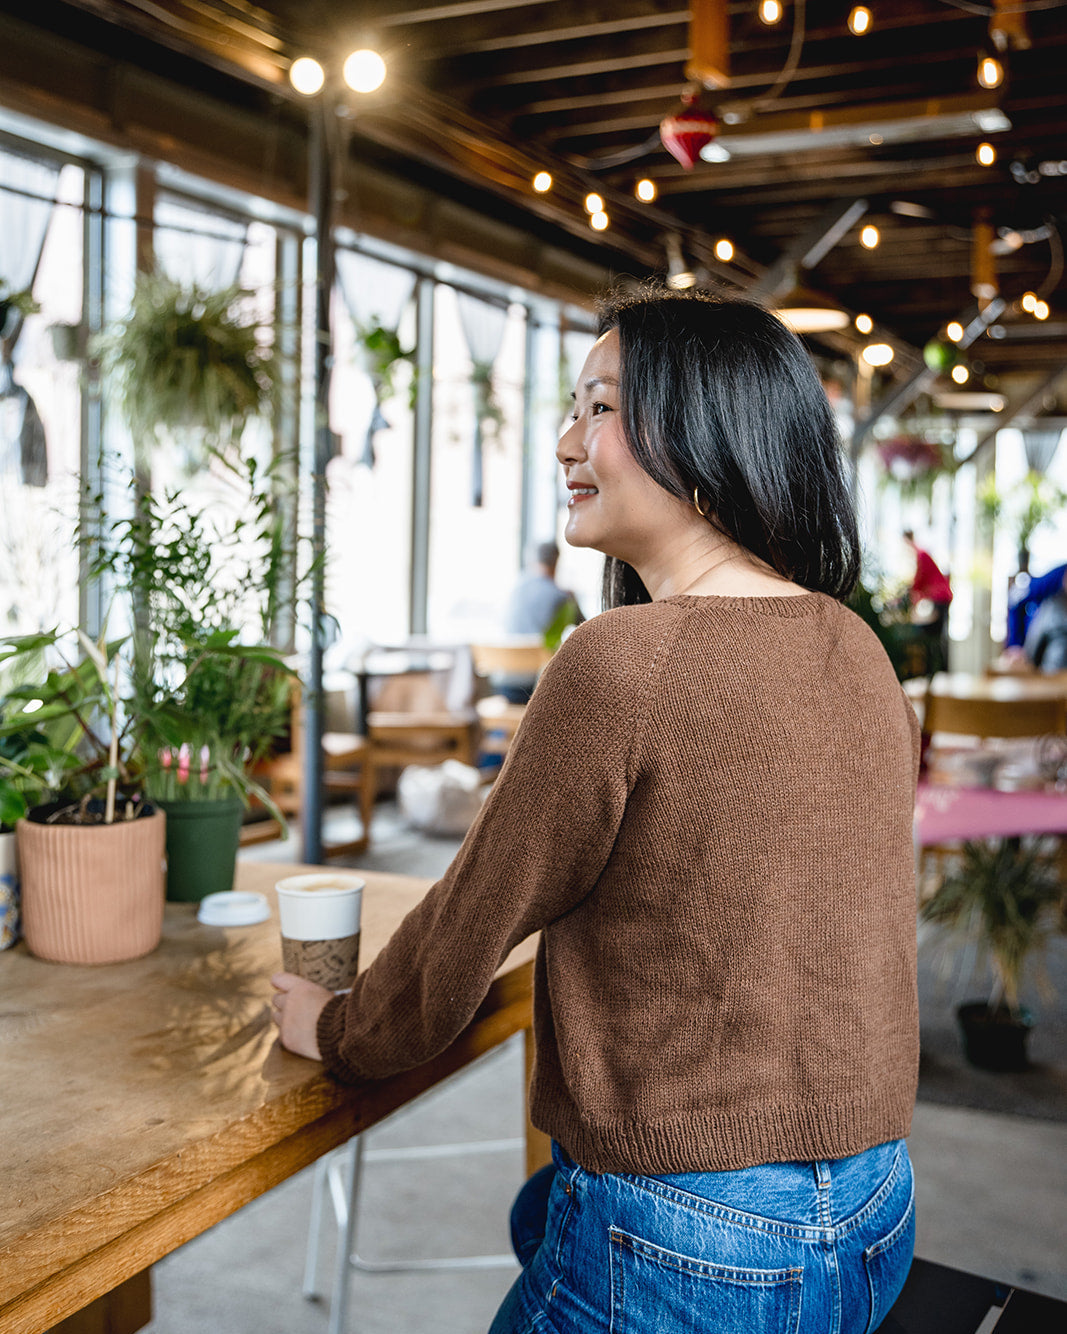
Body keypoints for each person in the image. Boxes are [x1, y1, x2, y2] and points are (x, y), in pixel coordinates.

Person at [272, 288, 920, 1334]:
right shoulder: (852, 644)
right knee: (543, 1210)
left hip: (694, 1231)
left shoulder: (620, 662)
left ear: (706, 430)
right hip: (872, 1205)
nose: (565, 439)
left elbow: (461, 931)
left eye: (601, 407)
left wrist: (340, 1028)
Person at [492, 541, 583, 703]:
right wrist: (573, 599)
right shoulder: (562, 597)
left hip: (504, 683)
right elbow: (588, 630)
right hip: (535, 689)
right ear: (556, 562)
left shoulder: (515, 588)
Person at [903, 529, 952, 674]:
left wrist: (913, 596)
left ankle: (938, 672)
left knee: (933, 637)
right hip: (940, 597)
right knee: (935, 636)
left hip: (940, 597)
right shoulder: (920, 554)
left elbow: (919, 580)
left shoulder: (920, 554)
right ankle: (938, 672)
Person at [1023, 567, 1067, 671]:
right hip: (1053, 676)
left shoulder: (1050, 607)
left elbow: (1031, 651)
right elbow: (1031, 651)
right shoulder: (1050, 607)